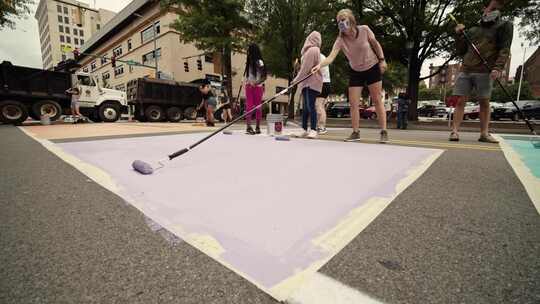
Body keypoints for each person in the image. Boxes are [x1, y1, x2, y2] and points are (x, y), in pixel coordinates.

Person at [312, 9, 388, 143]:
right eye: (338, 21)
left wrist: (382, 60)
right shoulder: (340, 39)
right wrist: (319, 65)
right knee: (353, 103)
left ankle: (383, 131)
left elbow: (376, 44)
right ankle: (355, 132)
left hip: (372, 67)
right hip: (356, 71)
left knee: (376, 100)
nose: (341, 23)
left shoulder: (364, 30)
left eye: (343, 20)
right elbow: (330, 57)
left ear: (350, 20)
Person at [450, 0, 512, 143]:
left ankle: (484, 133)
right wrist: (459, 35)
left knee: (484, 101)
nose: (494, 10)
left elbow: (505, 49)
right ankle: (454, 132)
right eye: (491, 7)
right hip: (466, 69)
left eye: (497, 7)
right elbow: (460, 50)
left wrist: (498, 67)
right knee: (460, 101)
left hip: (485, 70)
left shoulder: (504, 26)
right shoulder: (472, 30)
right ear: (484, 9)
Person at [293, 31, 323, 139]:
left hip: (312, 83)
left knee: (310, 106)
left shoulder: (313, 50)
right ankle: (304, 129)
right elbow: (304, 69)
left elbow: (306, 68)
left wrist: (296, 80)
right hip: (306, 83)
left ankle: (314, 129)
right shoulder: (307, 52)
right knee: (305, 108)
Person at [244, 43, 267, 135]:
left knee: (258, 107)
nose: (248, 52)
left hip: (257, 87)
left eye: (249, 50)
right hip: (249, 86)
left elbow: (264, 76)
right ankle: (248, 126)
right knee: (249, 106)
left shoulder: (259, 61)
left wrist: (256, 83)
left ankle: (257, 127)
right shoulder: (249, 61)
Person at [316, 53, 332, 134]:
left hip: (323, 83)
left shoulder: (319, 57)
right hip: (324, 83)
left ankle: (321, 127)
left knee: (319, 106)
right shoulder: (320, 56)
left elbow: (315, 71)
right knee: (320, 106)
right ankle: (320, 126)